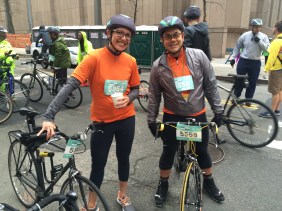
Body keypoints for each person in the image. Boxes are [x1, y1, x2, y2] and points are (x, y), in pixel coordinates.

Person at [38, 14, 140, 211]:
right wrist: (49, 115)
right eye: (120, 32)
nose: (124, 38)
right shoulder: (94, 58)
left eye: (128, 35)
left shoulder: (130, 61)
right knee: (98, 165)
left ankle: (122, 195)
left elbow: (135, 87)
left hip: (127, 119)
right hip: (102, 122)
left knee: (124, 158)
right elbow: (71, 84)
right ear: (108, 33)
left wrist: (130, 98)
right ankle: (92, 205)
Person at [147, 16, 225, 208]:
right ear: (162, 40)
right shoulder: (158, 66)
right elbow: (154, 95)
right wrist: (151, 119)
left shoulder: (198, 56)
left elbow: (211, 85)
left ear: (182, 35)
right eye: (167, 37)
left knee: (202, 151)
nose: (172, 40)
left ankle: (209, 182)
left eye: (176, 35)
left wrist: (218, 110)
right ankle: (163, 184)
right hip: (172, 115)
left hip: (197, 114)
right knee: (168, 151)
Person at [229, 18, 270, 104]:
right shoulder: (245, 35)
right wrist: (232, 58)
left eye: (259, 27)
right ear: (252, 27)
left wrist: (259, 42)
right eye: (256, 27)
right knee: (239, 80)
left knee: (253, 81)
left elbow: (267, 49)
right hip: (243, 61)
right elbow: (237, 47)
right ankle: (236, 96)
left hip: (255, 62)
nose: (258, 29)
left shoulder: (264, 37)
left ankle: (249, 99)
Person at [259, 20, 282, 118]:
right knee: (280, 90)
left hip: (276, 69)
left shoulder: (276, 42)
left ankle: (271, 112)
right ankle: (276, 109)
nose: (272, 29)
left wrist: (266, 69)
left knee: (275, 91)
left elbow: (271, 57)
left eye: (273, 27)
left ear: (276, 28)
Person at [0, 26, 17, 90]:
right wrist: (4, 54)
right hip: (2, 68)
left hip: (10, 68)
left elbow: (12, 51)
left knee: (11, 87)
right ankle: (3, 98)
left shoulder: (7, 43)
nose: (5, 35)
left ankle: (10, 98)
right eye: (3, 33)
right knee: (2, 87)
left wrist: (15, 55)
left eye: (5, 33)